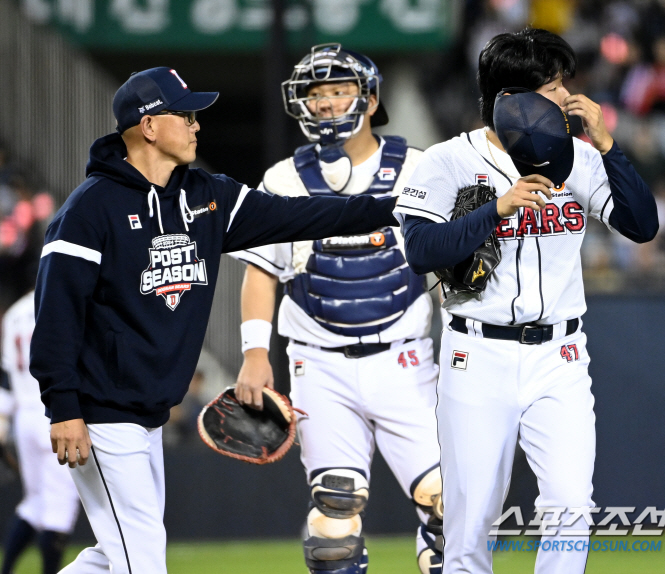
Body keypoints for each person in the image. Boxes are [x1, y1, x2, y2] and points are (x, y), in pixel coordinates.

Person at [28, 66, 400, 574]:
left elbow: (301, 216)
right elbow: (56, 316)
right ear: (150, 125)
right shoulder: (88, 211)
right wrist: (63, 406)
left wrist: (396, 209)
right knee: (141, 560)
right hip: (100, 413)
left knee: (113, 557)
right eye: (185, 114)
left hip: (146, 414)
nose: (197, 124)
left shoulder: (205, 196)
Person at [393, 29, 658, 574]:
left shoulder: (580, 158)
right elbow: (419, 251)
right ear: (511, 100)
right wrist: (495, 210)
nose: (567, 97)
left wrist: (609, 146)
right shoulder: (445, 161)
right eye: (554, 86)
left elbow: (642, 224)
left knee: (569, 509)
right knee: (471, 523)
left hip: (559, 357)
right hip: (476, 355)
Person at [231, 44, 444, 574]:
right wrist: (255, 353)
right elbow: (260, 272)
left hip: (406, 359)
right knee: (334, 519)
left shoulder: (420, 168)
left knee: (452, 505)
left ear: (370, 100)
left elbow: (445, 270)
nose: (326, 103)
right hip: (318, 362)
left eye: (339, 90)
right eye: (316, 93)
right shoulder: (283, 178)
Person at [0, 289, 81, 574]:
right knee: (60, 507)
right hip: (56, 412)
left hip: (23, 415)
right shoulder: (59, 300)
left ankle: (6, 568)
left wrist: (2, 424)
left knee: (34, 503)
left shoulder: (12, 314)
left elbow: (6, 375)